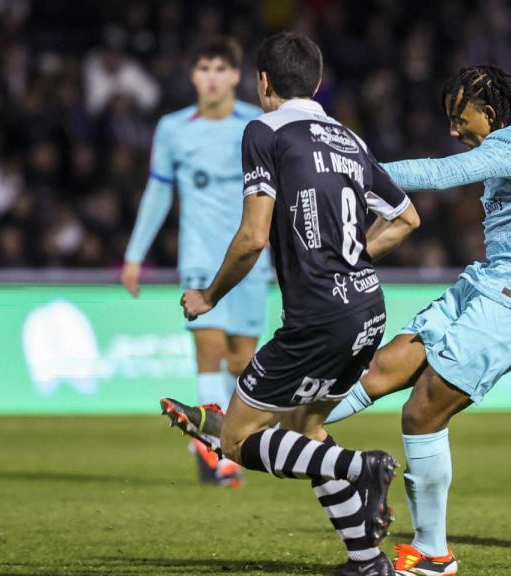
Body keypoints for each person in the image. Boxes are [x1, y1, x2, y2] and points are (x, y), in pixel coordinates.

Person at [167, 64, 511, 576]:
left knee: (422, 412)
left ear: (490, 113)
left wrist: (343, 168)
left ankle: (433, 554)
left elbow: (439, 175)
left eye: (459, 119)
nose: (454, 131)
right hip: (494, 288)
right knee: (376, 373)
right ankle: (248, 428)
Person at [172, 31, 420, 576]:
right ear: (318, 81)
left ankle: (361, 466)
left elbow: (252, 237)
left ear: (263, 82)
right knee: (307, 432)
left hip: (319, 316)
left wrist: (208, 296)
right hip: (368, 309)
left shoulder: (264, 131)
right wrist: (350, 259)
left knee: (237, 440)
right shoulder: (349, 138)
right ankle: (368, 562)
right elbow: (406, 217)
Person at [122, 37, 270, 487]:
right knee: (208, 347)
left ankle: (222, 437)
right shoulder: (173, 129)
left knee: (241, 360)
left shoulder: (258, 124)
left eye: (220, 68)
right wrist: (134, 255)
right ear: (193, 75)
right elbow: (158, 191)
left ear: (235, 75)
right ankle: (217, 457)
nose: (211, 77)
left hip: (250, 256)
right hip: (199, 257)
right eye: (203, 68)